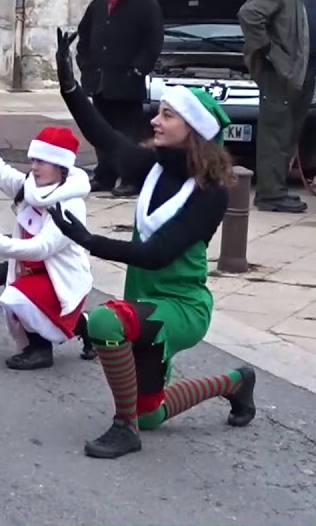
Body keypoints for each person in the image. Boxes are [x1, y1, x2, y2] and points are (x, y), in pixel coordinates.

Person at [50, 33, 255, 459]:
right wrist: (69, 85)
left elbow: (157, 254)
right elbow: (106, 138)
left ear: (193, 129)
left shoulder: (211, 192)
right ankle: (235, 383)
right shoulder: (155, 167)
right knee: (149, 412)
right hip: (144, 301)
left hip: (181, 307)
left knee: (105, 322)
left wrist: (89, 241)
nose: (155, 122)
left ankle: (123, 430)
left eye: (167, 115)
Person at [0, 112, 96, 369]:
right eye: (34, 160)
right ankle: (86, 326)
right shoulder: (31, 187)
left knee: (15, 298)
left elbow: (43, 248)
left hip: (61, 279)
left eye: (43, 162)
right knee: (20, 300)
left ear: (61, 166)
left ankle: (41, 350)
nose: (35, 167)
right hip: (34, 273)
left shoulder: (70, 204)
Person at [238, 0, 316, 214]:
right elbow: (249, 15)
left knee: (288, 135)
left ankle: (278, 189)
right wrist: (269, 51)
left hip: (303, 74)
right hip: (279, 75)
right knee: (274, 134)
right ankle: (270, 194)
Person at [75, 0, 164, 197]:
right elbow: (84, 37)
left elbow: (154, 41)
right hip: (100, 82)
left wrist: (138, 69)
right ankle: (105, 176)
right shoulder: (99, 3)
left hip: (127, 84)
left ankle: (131, 178)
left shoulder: (146, 3)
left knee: (128, 134)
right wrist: (86, 66)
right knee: (100, 130)